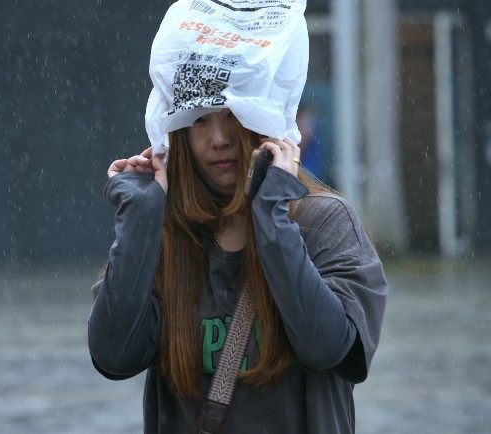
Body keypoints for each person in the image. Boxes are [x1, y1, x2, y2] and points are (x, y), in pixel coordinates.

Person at [88, 1, 387, 433]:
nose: (219, 139)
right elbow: (113, 356)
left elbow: (327, 347)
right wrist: (139, 220)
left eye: (234, 116)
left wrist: (272, 217)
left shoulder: (325, 223)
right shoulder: (168, 235)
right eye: (200, 121)